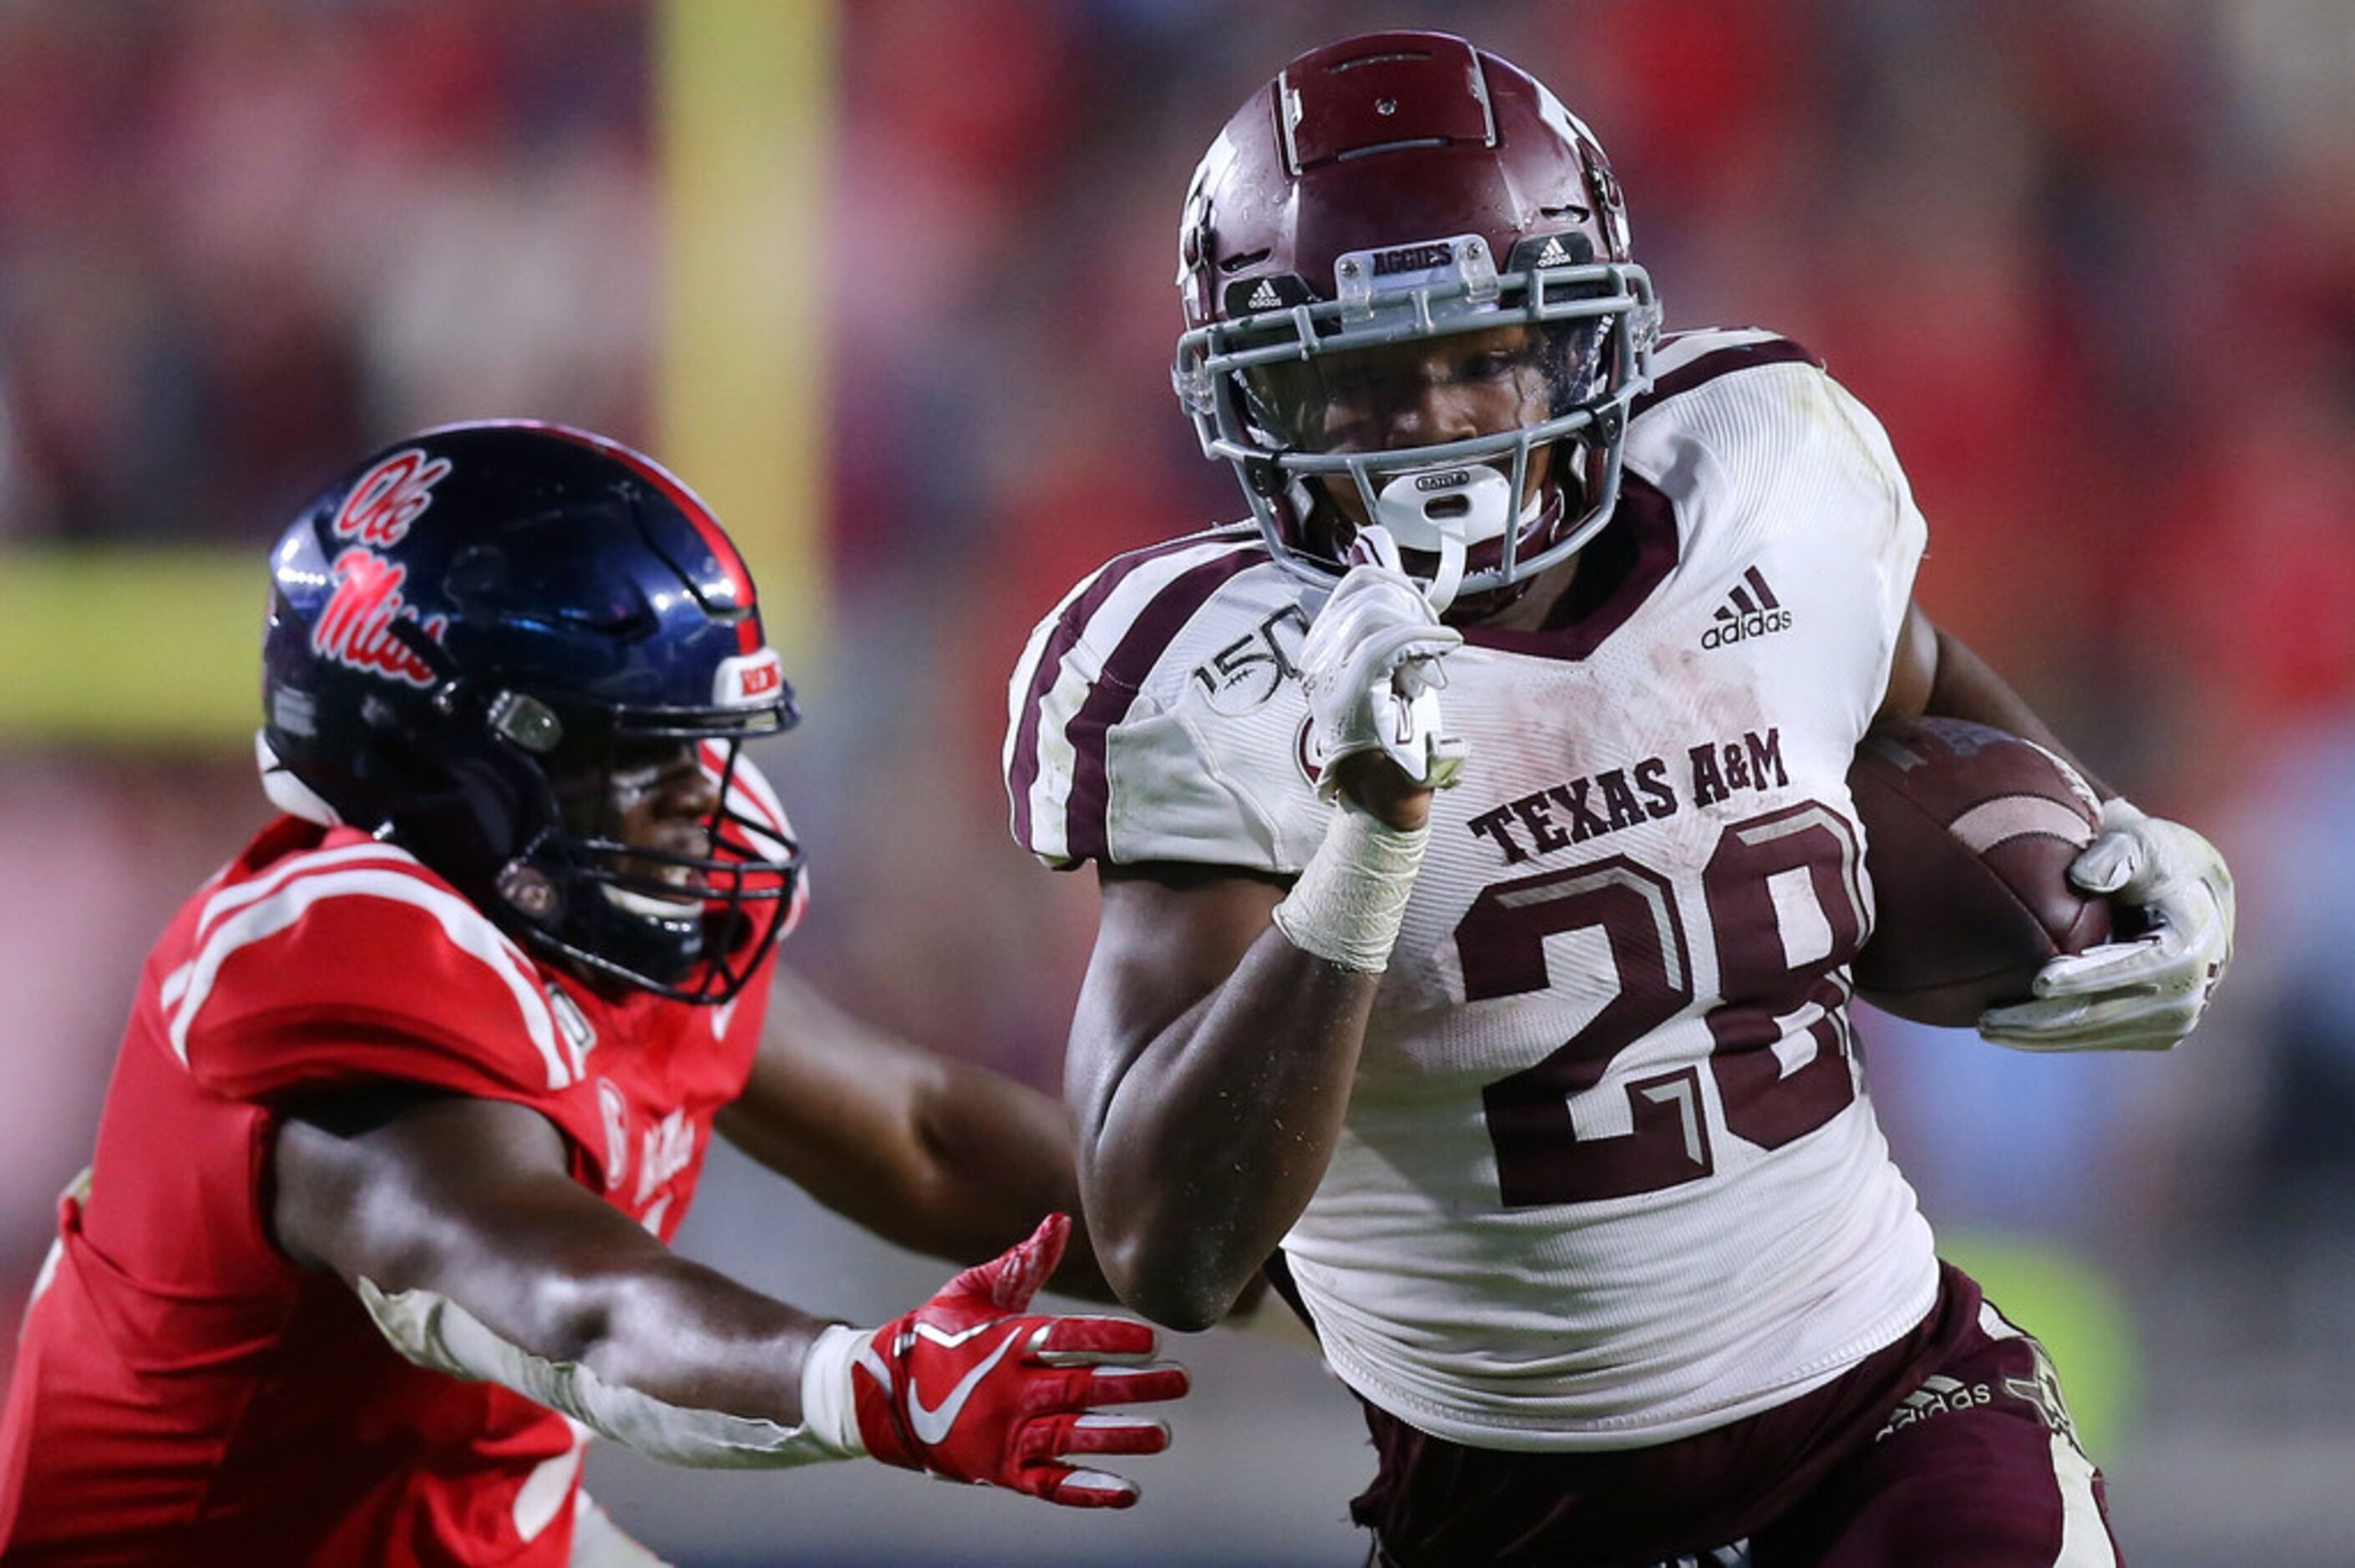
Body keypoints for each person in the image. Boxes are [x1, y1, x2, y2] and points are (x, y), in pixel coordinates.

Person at [1004, 31, 2233, 1568]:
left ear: (1585, 338)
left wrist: (2128, 839)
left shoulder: (1759, 479)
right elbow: (1171, 1243)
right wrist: (1373, 842)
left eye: (1482, 354)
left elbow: (1911, 683)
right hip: (1505, 1497)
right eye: (1367, 380)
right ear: (1270, 396)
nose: (1442, 419)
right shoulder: (1208, 679)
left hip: (1890, 1406)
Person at [0, 421, 1188, 1565]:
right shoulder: (327, 979)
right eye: (638, 749)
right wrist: (857, 1379)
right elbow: (580, 1306)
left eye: (703, 745)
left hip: (461, 1529)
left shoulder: (585, 910)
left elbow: (919, 1135)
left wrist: (1266, 1256)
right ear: (451, 755)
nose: (697, 800)